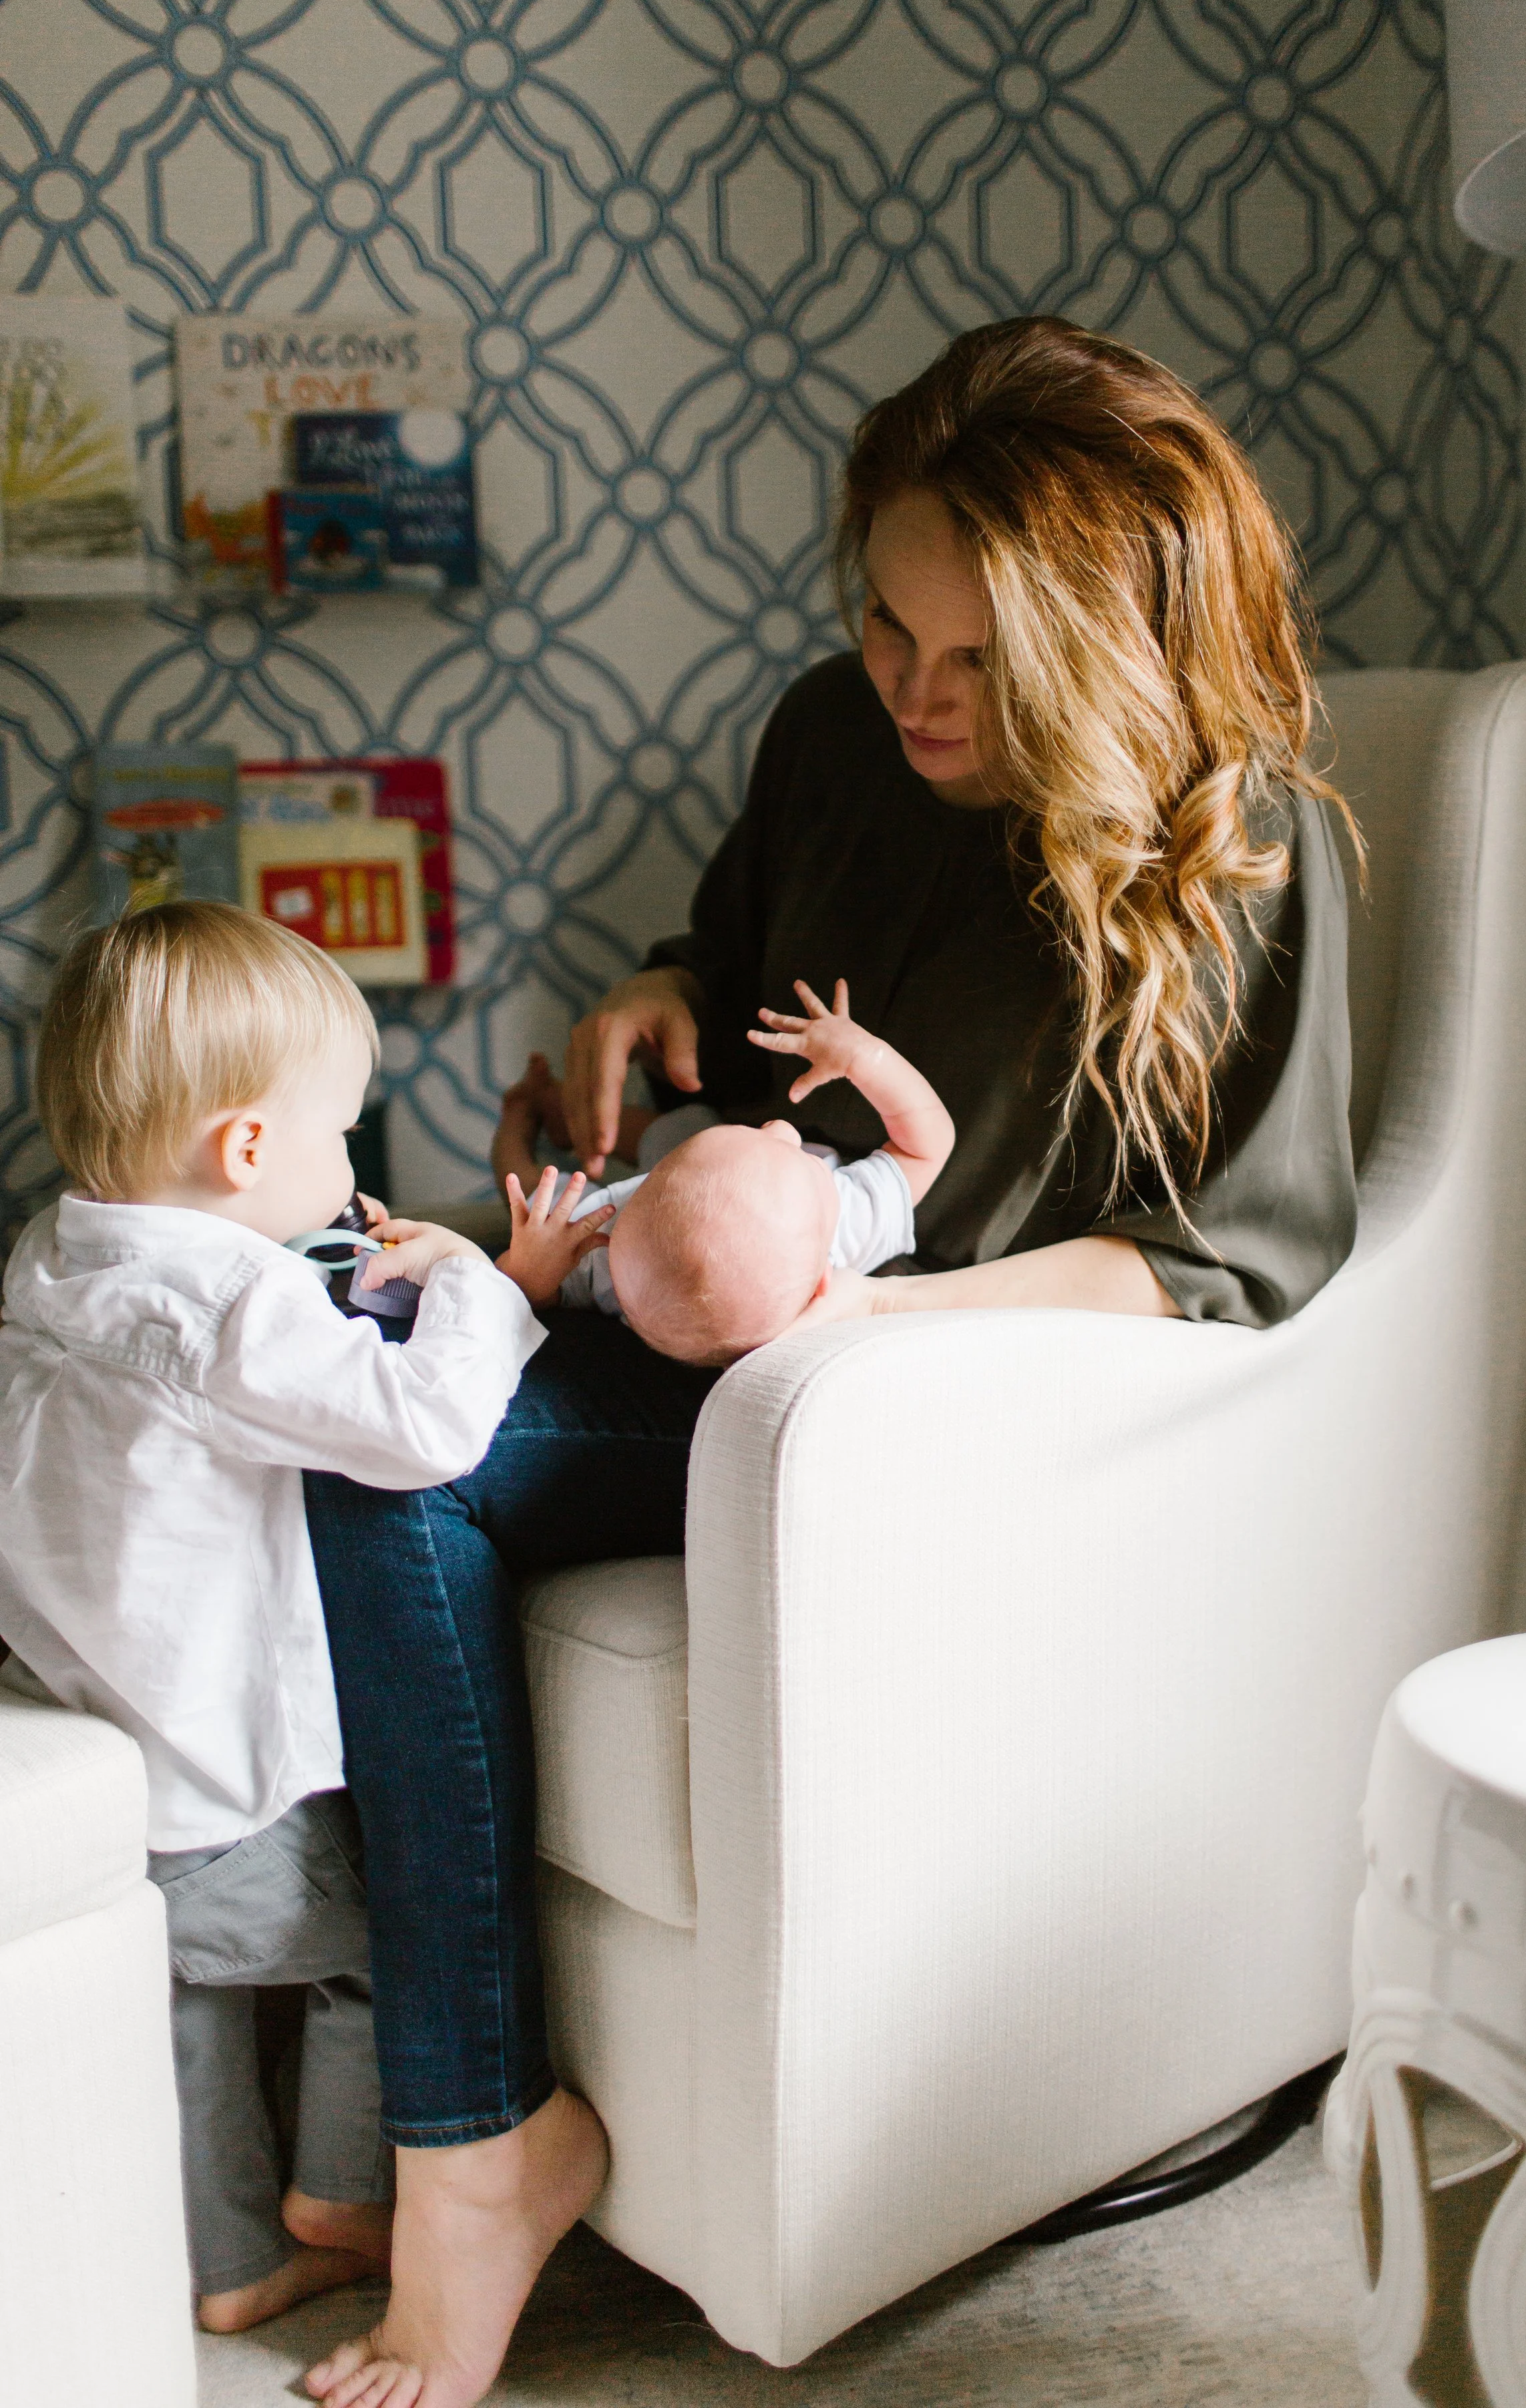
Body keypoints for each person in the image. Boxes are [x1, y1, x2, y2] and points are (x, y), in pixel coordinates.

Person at [300, 315, 1358, 2408]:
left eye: (979, 660)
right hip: (724, 1314)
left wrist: (868, 1323)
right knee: (323, 1358)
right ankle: (383, 2098)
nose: (914, 691)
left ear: (1109, 645)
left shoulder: (1236, 839)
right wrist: (649, 998)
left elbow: (1225, 1265)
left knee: (395, 1460)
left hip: (914, 1400)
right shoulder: (829, 730)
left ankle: (469, 2140)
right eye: (886, 623)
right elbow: (741, 977)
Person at [0, 901, 609, 2344]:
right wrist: (486, 1285)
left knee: (188, 2010)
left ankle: (227, 2260)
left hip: (102, 1753)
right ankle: (341, 2199)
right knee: (376, 1950)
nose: (352, 1168)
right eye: (341, 1136)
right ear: (246, 1152)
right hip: (230, 1776)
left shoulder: (52, 1258)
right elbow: (422, 1430)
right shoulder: (226, 1308)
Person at [499, 978, 956, 1366]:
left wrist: (529, 1274)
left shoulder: (600, 1252)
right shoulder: (844, 1226)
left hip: (619, 1225)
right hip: (669, 1202)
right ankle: (573, 1119)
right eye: (800, 1157)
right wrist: (865, 1060)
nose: (782, 1128)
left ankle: (523, 1114)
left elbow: (513, 1294)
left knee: (533, 1200)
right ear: (824, 1281)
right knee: (680, 1132)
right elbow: (926, 1148)